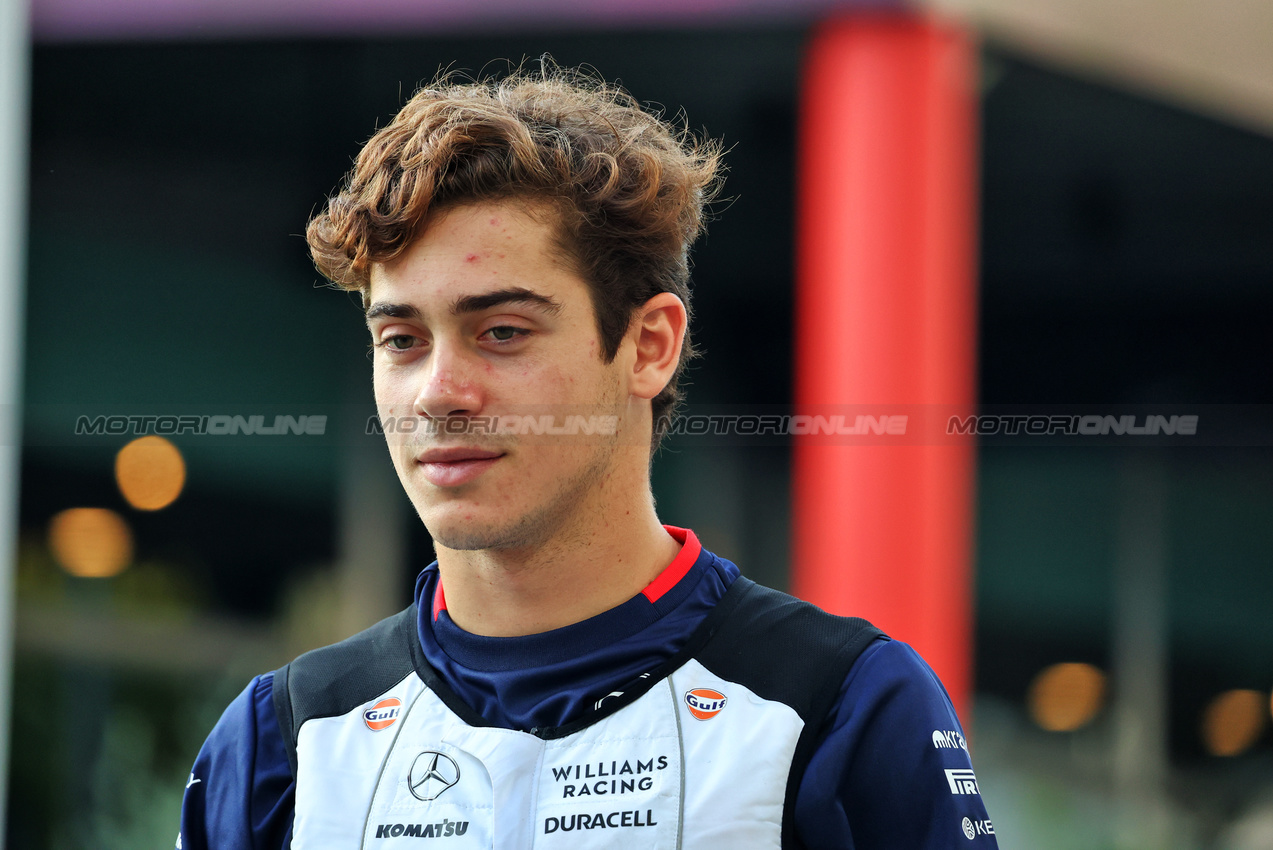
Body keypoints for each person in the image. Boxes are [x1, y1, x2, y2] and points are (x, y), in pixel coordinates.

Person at [177, 64, 997, 849]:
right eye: (401, 340)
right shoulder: (283, 742)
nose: (438, 391)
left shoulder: (839, 705)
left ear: (648, 346)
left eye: (502, 332)